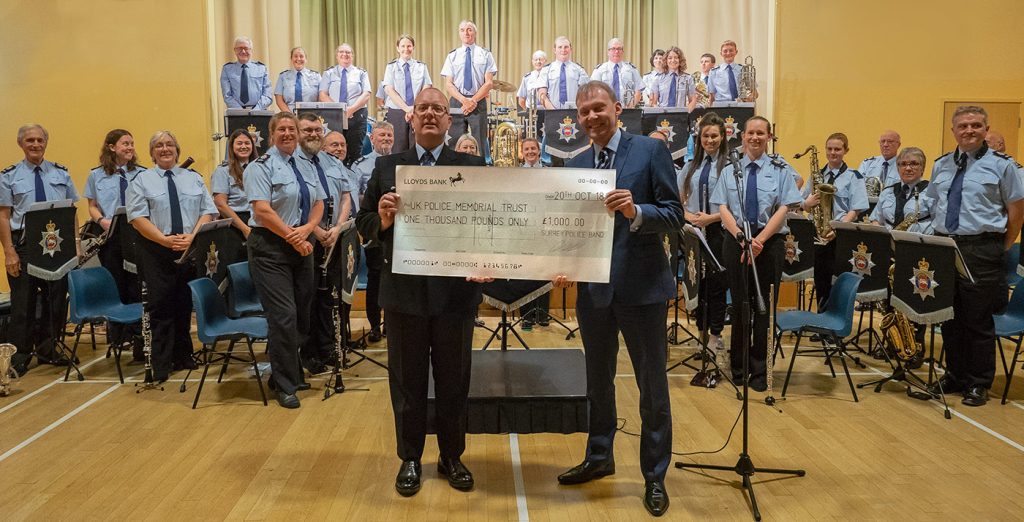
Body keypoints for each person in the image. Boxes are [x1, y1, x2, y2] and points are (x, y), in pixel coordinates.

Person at [553, 81, 683, 517]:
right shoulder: (580, 164)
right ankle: (599, 456)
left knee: (651, 387)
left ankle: (654, 476)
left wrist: (636, 211)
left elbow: (675, 215)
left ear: (618, 108)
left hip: (643, 290)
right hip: (593, 293)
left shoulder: (650, 151)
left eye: (599, 108)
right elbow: (572, 229)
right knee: (597, 381)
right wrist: (563, 263)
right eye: (585, 111)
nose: (592, 117)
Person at [355, 87, 488, 497]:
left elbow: (488, 223)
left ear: (449, 121)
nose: (430, 114)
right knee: (407, 383)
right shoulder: (386, 167)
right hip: (404, 295)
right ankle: (410, 457)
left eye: (438, 108)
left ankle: (452, 456)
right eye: (422, 109)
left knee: (454, 382)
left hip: (455, 297)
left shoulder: (472, 165)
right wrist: (382, 220)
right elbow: (362, 224)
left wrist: (490, 260)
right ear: (410, 119)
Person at [925, 106, 1024, 407]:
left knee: (978, 319)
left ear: (985, 129)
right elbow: (934, 205)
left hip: (982, 247)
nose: (969, 130)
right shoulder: (941, 165)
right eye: (963, 126)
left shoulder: (1003, 166)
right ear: (953, 131)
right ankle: (955, 374)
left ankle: (978, 382)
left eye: (976, 126)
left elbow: (1016, 212)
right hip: (945, 245)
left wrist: (999, 247)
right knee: (949, 317)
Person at [710, 117, 802, 391]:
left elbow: (785, 208)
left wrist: (759, 240)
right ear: (743, 136)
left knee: (764, 309)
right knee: (739, 305)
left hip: (768, 242)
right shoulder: (730, 170)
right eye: (750, 132)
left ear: (769, 137)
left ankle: (761, 371)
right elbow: (722, 207)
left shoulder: (780, 169)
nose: (755, 137)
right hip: (736, 241)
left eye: (760, 133)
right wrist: (741, 237)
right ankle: (739, 368)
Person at [244, 112, 327, 408]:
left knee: (303, 314)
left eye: (292, 129)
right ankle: (284, 384)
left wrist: (306, 230)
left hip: (301, 243)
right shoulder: (260, 166)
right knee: (283, 315)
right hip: (270, 247)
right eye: (282, 129)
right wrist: (293, 236)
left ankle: (288, 369)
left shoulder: (305, 164)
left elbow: (318, 202)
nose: (288, 133)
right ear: (271, 134)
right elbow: (262, 211)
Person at [126, 131, 217, 383]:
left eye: (169, 145)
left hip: (189, 247)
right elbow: (137, 218)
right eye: (158, 146)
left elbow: (208, 211)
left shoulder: (193, 179)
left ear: (177, 150)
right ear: (152, 152)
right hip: (156, 249)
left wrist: (193, 237)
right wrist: (164, 240)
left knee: (183, 303)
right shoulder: (141, 180)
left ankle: (183, 355)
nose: (165, 149)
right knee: (160, 305)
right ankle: (162, 362)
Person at [1, 124, 79, 375]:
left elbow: (71, 211)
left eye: (40, 140)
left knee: (55, 299)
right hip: (23, 244)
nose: (35, 144)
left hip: (56, 243)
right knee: (23, 301)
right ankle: (19, 355)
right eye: (30, 140)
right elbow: (3, 217)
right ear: (21, 144)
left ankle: (49, 349)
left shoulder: (61, 173)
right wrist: (9, 252)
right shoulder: (9, 176)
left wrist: (76, 244)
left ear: (46, 142)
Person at [297, 112, 353, 375]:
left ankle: (328, 347)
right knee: (308, 298)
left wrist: (339, 227)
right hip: (308, 239)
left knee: (330, 297)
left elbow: (345, 197)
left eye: (317, 130)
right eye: (307, 130)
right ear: (298, 133)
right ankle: (309, 353)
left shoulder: (332, 162)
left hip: (334, 238)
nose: (313, 135)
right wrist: (318, 231)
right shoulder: (293, 163)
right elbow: (297, 205)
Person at [869, 146, 934, 368]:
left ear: (923, 167)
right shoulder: (888, 191)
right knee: (889, 299)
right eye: (903, 164)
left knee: (914, 299)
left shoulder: (930, 192)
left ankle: (914, 344)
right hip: (889, 252)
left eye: (914, 164)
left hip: (917, 252)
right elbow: (875, 219)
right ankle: (892, 341)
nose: (908, 168)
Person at [84, 129, 145, 360]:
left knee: (136, 284)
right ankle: (119, 336)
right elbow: (92, 205)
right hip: (111, 236)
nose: (130, 148)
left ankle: (139, 334)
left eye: (131, 143)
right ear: (111, 147)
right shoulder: (96, 175)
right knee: (116, 283)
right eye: (124, 144)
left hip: (136, 235)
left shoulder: (141, 174)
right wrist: (102, 220)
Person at [678, 113, 730, 357]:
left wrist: (712, 218)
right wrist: (689, 218)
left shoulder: (730, 167)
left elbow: (734, 206)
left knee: (717, 286)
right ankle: (700, 330)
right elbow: (677, 201)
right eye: (705, 136)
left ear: (723, 136)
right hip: (695, 233)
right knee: (697, 284)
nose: (710, 140)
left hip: (720, 231)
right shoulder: (690, 167)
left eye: (714, 136)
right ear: (699, 139)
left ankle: (715, 335)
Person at [800, 132, 868, 309]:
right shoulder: (817, 175)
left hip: (840, 236)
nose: (833, 152)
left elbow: (856, 208)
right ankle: (822, 319)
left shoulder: (854, 176)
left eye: (837, 149)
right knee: (820, 279)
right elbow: (802, 204)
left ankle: (836, 322)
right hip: (818, 235)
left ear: (846, 150)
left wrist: (838, 229)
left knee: (838, 279)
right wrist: (806, 204)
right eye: (829, 149)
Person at [350, 122, 394, 343]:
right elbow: (355, 196)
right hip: (374, 228)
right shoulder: (361, 165)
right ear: (372, 139)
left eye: (389, 135)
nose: (386, 139)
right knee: (376, 278)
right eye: (381, 135)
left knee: (394, 279)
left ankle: (391, 323)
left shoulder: (400, 164)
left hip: (395, 231)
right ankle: (375, 324)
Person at [440, 20, 496, 159]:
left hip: (478, 101)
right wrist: (464, 100)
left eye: (469, 29)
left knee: (479, 142)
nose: (466, 32)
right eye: (462, 30)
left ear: (475, 33)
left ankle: (480, 174)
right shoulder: (452, 56)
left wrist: (473, 100)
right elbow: (448, 84)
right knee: (454, 141)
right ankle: (455, 170)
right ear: (459, 33)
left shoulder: (485, 54)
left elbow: (488, 83)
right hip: (457, 102)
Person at [319, 43, 372, 165]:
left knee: (355, 151)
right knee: (334, 150)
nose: (345, 54)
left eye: (348, 52)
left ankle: (354, 180)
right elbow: (322, 95)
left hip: (357, 116)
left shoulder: (361, 73)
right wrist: (340, 109)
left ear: (352, 56)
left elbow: (366, 94)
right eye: (341, 52)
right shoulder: (329, 73)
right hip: (334, 116)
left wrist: (350, 110)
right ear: (337, 56)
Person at [383, 35, 432, 154]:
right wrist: (407, 109)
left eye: (409, 46)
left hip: (418, 111)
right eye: (403, 46)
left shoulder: (421, 66)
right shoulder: (391, 67)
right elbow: (389, 90)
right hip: (397, 112)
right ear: (398, 48)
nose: (406, 49)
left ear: (413, 47)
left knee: (418, 148)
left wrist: (414, 108)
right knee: (397, 149)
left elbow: (426, 87)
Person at [211, 130, 254, 238]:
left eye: (247, 143)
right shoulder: (223, 171)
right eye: (239, 143)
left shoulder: (260, 169)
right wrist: (245, 228)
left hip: (256, 221)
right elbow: (220, 205)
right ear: (231, 146)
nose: (244, 146)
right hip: (233, 225)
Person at [220, 36, 272, 109]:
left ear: (251, 50)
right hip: (236, 113)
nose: (243, 51)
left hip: (259, 112)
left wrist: (256, 110)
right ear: (234, 50)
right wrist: (241, 111)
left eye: (246, 48)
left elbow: (267, 94)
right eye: (239, 48)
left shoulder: (261, 68)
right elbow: (227, 95)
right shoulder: (227, 69)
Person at [538, 36, 590, 110]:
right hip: (552, 113)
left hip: (574, 112)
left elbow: (586, 94)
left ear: (570, 49)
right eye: (560, 47)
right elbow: (542, 95)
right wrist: (554, 111)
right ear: (554, 50)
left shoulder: (579, 69)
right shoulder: (546, 70)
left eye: (566, 47)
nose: (563, 50)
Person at [591, 38, 643, 107]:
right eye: (613, 49)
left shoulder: (631, 69)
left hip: (627, 109)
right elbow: (593, 91)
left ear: (623, 51)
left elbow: (638, 90)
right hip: (605, 110)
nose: (616, 51)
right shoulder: (599, 70)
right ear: (608, 52)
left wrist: (631, 106)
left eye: (619, 49)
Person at [274, 47, 321, 112]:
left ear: (306, 59)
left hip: (311, 115)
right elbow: (279, 100)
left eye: (301, 56)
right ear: (291, 59)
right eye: (295, 56)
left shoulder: (316, 76)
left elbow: (321, 97)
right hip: (289, 114)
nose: (298, 59)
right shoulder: (283, 76)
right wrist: (290, 116)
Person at [650, 46, 696, 111]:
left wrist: (686, 113)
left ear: (680, 60)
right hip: (663, 117)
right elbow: (653, 103)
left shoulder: (688, 78)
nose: (673, 60)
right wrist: (661, 112)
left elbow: (693, 100)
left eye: (676, 58)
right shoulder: (658, 79)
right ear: (666, 60)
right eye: (670, 58)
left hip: (681, 116)